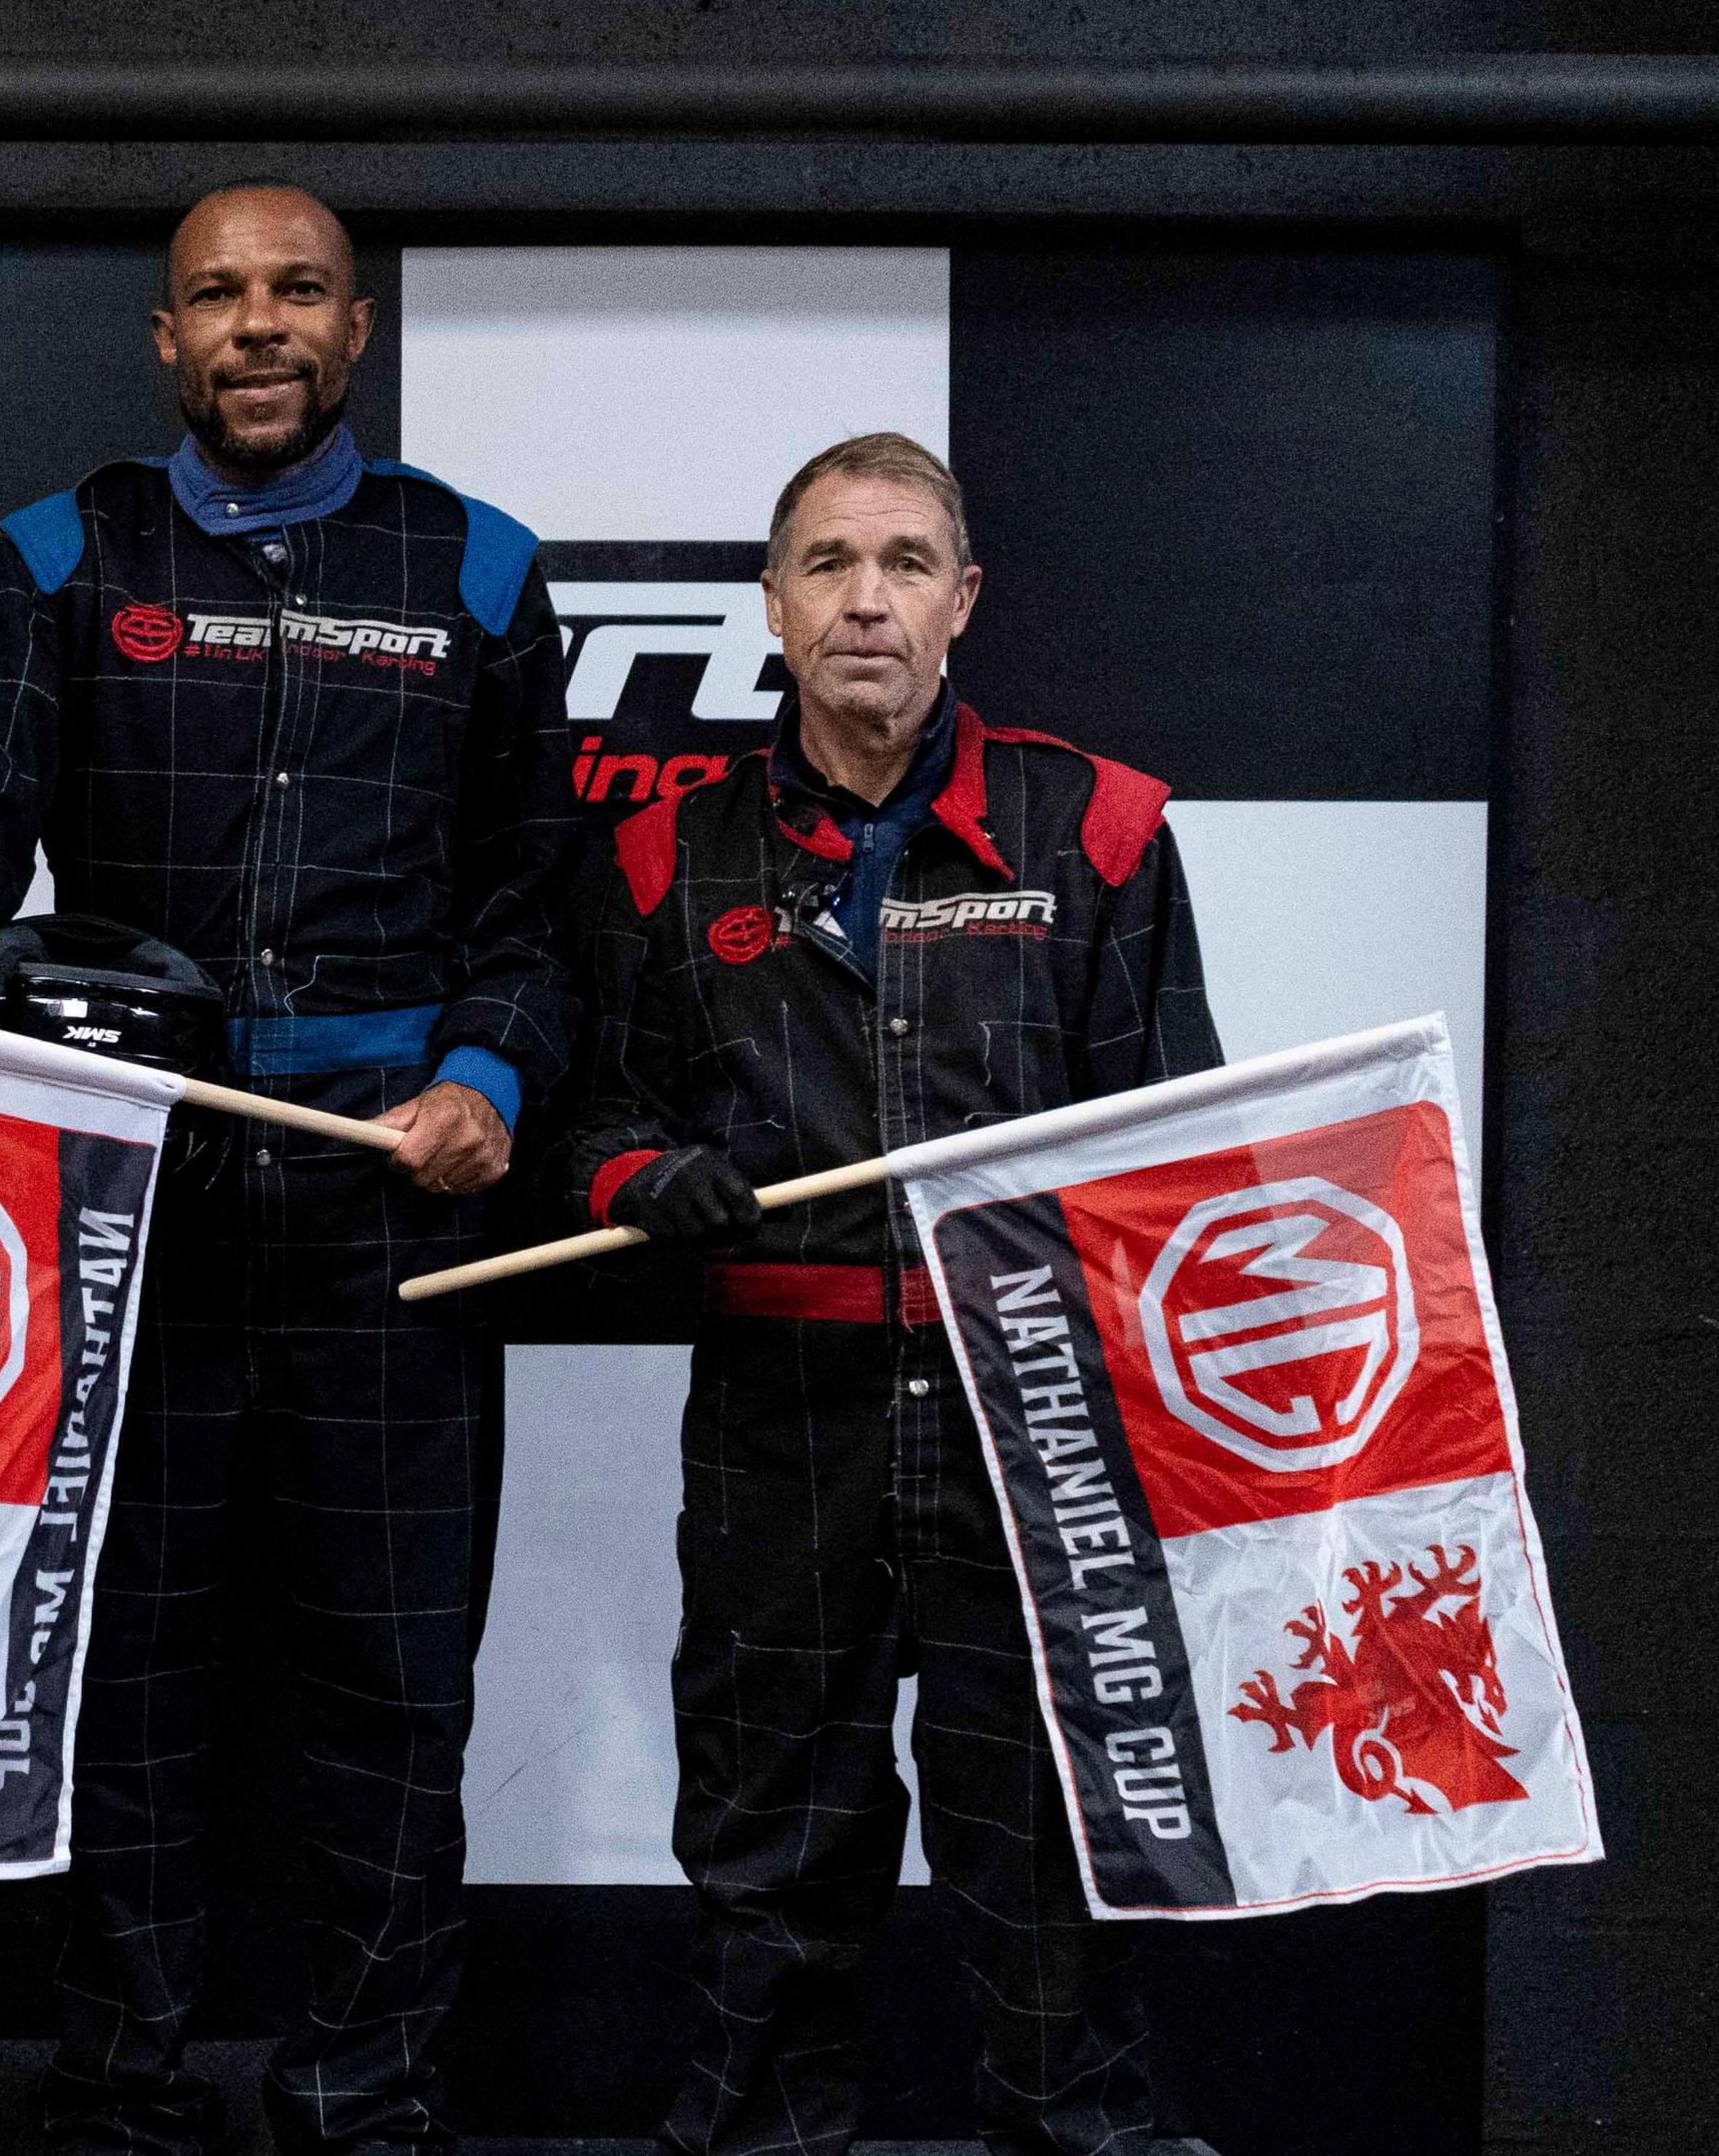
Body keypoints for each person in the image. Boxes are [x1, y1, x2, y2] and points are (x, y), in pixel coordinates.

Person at [0, 183, 581, 2155]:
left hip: (392, 1226)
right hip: (123, 1219)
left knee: (398, 1706)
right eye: (218, 297)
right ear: (165, 343)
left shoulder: (481, 573)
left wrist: (492, 1075)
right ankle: (127, 2099)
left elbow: (537, 908)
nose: (260, 326)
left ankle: (371, 2100)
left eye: (300, 292)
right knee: (130, 1684)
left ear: (359, 331)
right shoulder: (62, 557)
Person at [558, 431, 1220, 2156]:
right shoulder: (661, 855)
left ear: (965, 602)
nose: (869, 600)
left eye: (908, 563)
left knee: (1053, 1871)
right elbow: (595, 1118)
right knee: (774, 1863)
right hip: (785, 1433)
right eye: (831, 564)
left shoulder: (1105, 828)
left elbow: (1180, 1155)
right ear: (770, 607)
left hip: (1035, 1431)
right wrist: (643, 1181)